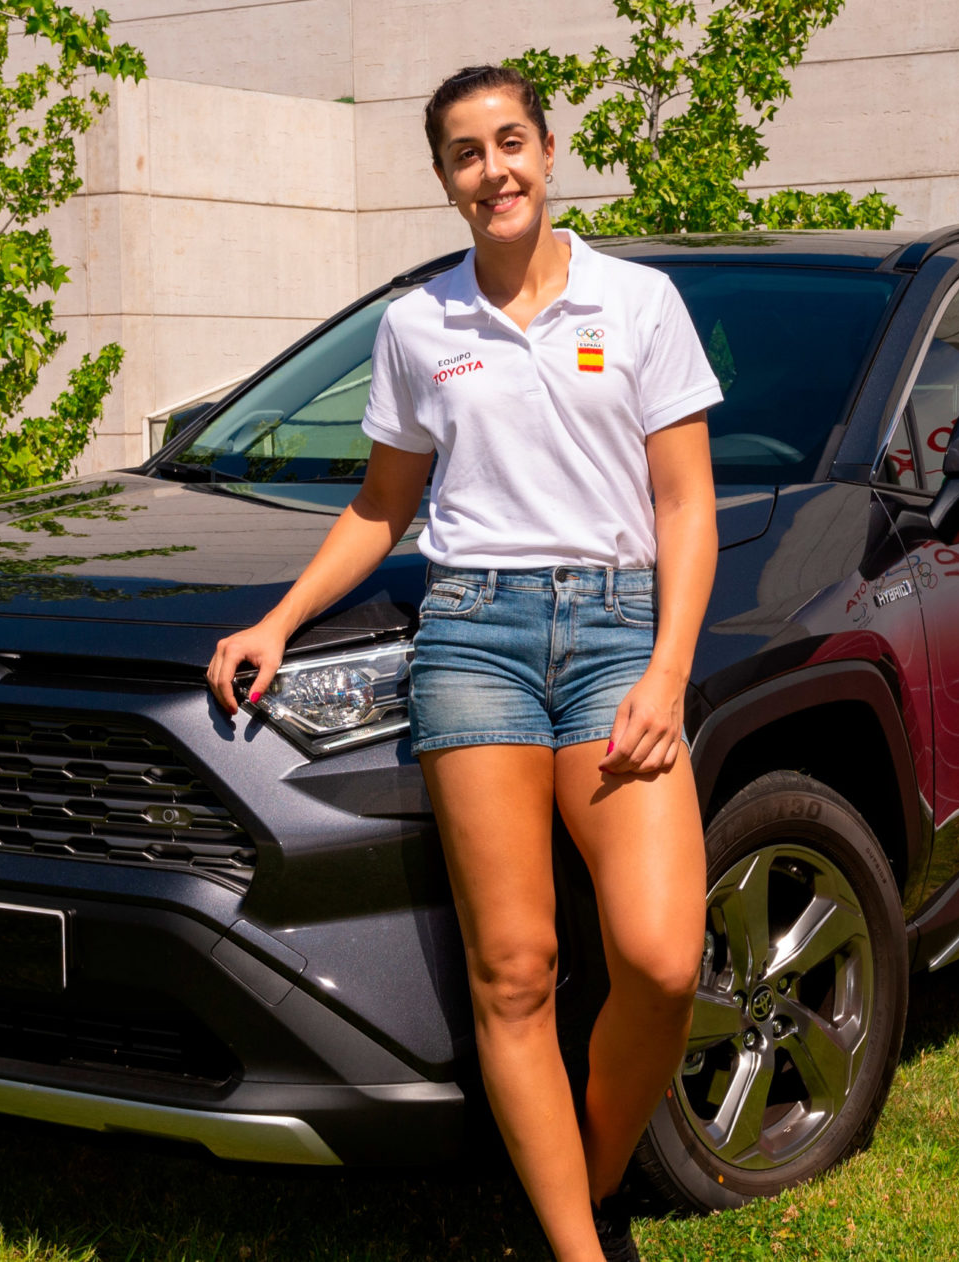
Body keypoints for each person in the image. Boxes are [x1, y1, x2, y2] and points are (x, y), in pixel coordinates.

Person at [203, 64, 719, 1262]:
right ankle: (575, 1247)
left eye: (510, 143)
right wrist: (277, 622)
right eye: (466, 154)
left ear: (549, 151)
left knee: (656, 953)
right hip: (473, 637)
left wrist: (666, 671)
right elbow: (385, 508)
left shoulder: (636, 304)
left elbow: (686, 506)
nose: (494, 170)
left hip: (614, 635)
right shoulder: (417, 326)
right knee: (517, 966)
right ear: (444, 180)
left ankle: (577, 1181)